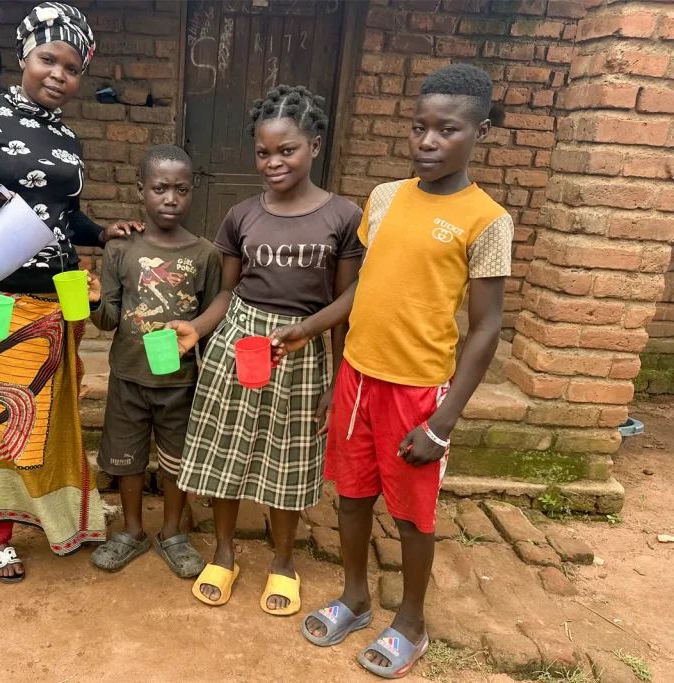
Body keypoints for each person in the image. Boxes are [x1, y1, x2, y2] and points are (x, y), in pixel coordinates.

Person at [271, 64, 513, 679]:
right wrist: (314, 330)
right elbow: (366, 291)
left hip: (417, 391)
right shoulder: (383, 198)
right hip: (357, 379)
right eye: (419, 126)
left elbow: (485, 328)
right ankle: (354, 597)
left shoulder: (487, 219)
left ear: (479, 132)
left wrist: (442, 423)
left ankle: (411, 620)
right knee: (351, 498)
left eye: (447, 130)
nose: (427, 141)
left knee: (411, 514)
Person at [0, 3, 142, 581]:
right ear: (24, 56)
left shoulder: (67, 138)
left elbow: (63, 216)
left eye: (71, 67)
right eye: (48, 60)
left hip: (57, 294)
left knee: (53, 412)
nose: (58, 75)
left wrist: (101, 230)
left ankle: (59, 516)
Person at [168, 85, 364, 615]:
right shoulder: (241, 215)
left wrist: (337, 375)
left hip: (304, 349)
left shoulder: (344, 216)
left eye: (287, 150)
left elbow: (350, 298)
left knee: (289, 456)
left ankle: (282, 561)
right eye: (263, 152)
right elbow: (228, 292)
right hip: (242, 339)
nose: (273, 162)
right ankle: (225, 551)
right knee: (225, 450)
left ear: (315, 146)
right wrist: (198, 327)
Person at [85, 145, 222, 576]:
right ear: (141, 189)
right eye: (160, 188)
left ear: (192, 192)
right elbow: (108, 319)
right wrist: (91, 301)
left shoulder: (206, 254)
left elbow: (212, 318)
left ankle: (173, 532)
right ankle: (131, 530)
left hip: (181, 381)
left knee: (176, 460)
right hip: (128, 376)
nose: (170, 198)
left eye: (181, 189)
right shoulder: (120, 251)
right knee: (126, 457)